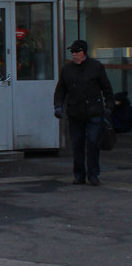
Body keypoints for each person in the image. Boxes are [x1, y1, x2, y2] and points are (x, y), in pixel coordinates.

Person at [53, 39, 114, 186]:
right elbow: (61, 89)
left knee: (92, 142)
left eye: (77, 52)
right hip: (75, 112)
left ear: (83, 53)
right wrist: (58, 106)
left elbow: (106, 88)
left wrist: (109, 106)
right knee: (77, 144)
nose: (74, 55)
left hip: (94, 111)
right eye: (72, 53)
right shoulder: (67, 70)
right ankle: (79, 174)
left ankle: (93, 174)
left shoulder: (96, 67)